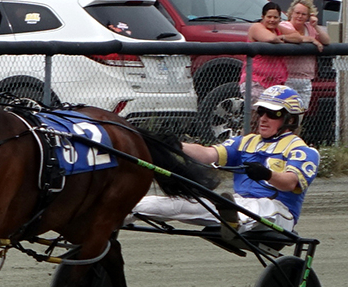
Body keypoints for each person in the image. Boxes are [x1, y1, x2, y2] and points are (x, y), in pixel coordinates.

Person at [132, 85, 318, 234]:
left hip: (279, 212)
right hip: (236, 204)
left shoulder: (302, 150)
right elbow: (207, 154)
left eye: (272, 114)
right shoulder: (245, 142)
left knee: (258, 206)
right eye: (261, 112)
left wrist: (267, 174)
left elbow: (290, 182)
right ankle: (120, 211)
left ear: (291, 120)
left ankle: (234, 221)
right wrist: (175, 146)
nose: (263, 119)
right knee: (176, 203)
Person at [241, 2, 306, 102]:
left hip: (276, 84)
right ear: (263, 17)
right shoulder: (256, 27)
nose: (272, 20)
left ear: (280, 19)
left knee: (274, 115)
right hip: (256, 81)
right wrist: (282, 40)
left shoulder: (279, 29)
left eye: (275, 17)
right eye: (269, 17)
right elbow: (270, 38)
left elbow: (298, 37)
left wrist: (283, 37)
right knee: (259, 114)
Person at [279, 0, 329, 107]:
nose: (300, 16)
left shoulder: (309, 28)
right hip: (287, 78)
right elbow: (297, 38)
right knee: (285, 111)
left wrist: (315, 26)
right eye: (297, 13)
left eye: (304, 14)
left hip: (306, 78)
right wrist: (312, 40)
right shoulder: (284, 26)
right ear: (291, 12)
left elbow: (326, 41)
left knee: (300, 111)